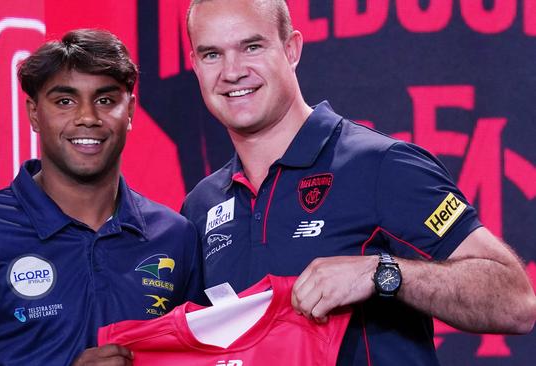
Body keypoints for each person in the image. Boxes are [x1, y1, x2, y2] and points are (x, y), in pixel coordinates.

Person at [181, 0, 536, 365]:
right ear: (194, 64)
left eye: (251, 47)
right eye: (212, 55)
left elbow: (515, 301)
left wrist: (383, 272)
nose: (233, 71)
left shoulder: (381, 165)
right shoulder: (200, 206)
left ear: (291, 50)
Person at [0, 29, 202, 366]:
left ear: (129, 110)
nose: (87, 117)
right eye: (64, 101)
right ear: (34, 113)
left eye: (106, 100)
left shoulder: (176, 236)